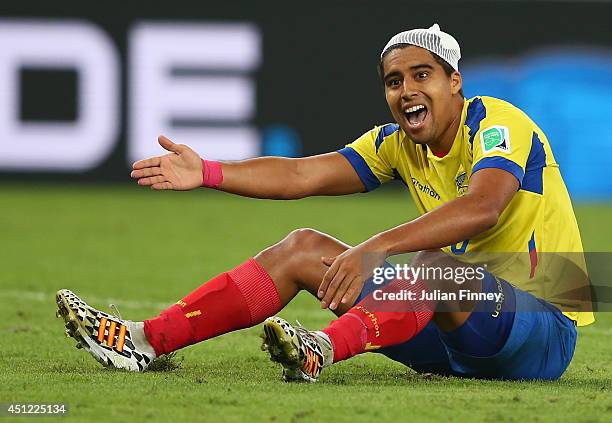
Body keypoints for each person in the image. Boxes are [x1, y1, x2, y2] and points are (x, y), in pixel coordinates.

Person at [56, 24, 593, 381]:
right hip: (447, 328)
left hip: (538, 326)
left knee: (432, 269)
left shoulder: (498, 124)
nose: (406, 91)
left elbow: (484, 207)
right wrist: (210, 171)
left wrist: (377, 245)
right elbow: (300, 174)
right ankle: (145, 342)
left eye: (422, 76)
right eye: (393, 81)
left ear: (456, 83)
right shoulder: (395, 142)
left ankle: (321, 350)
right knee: (302, 249)